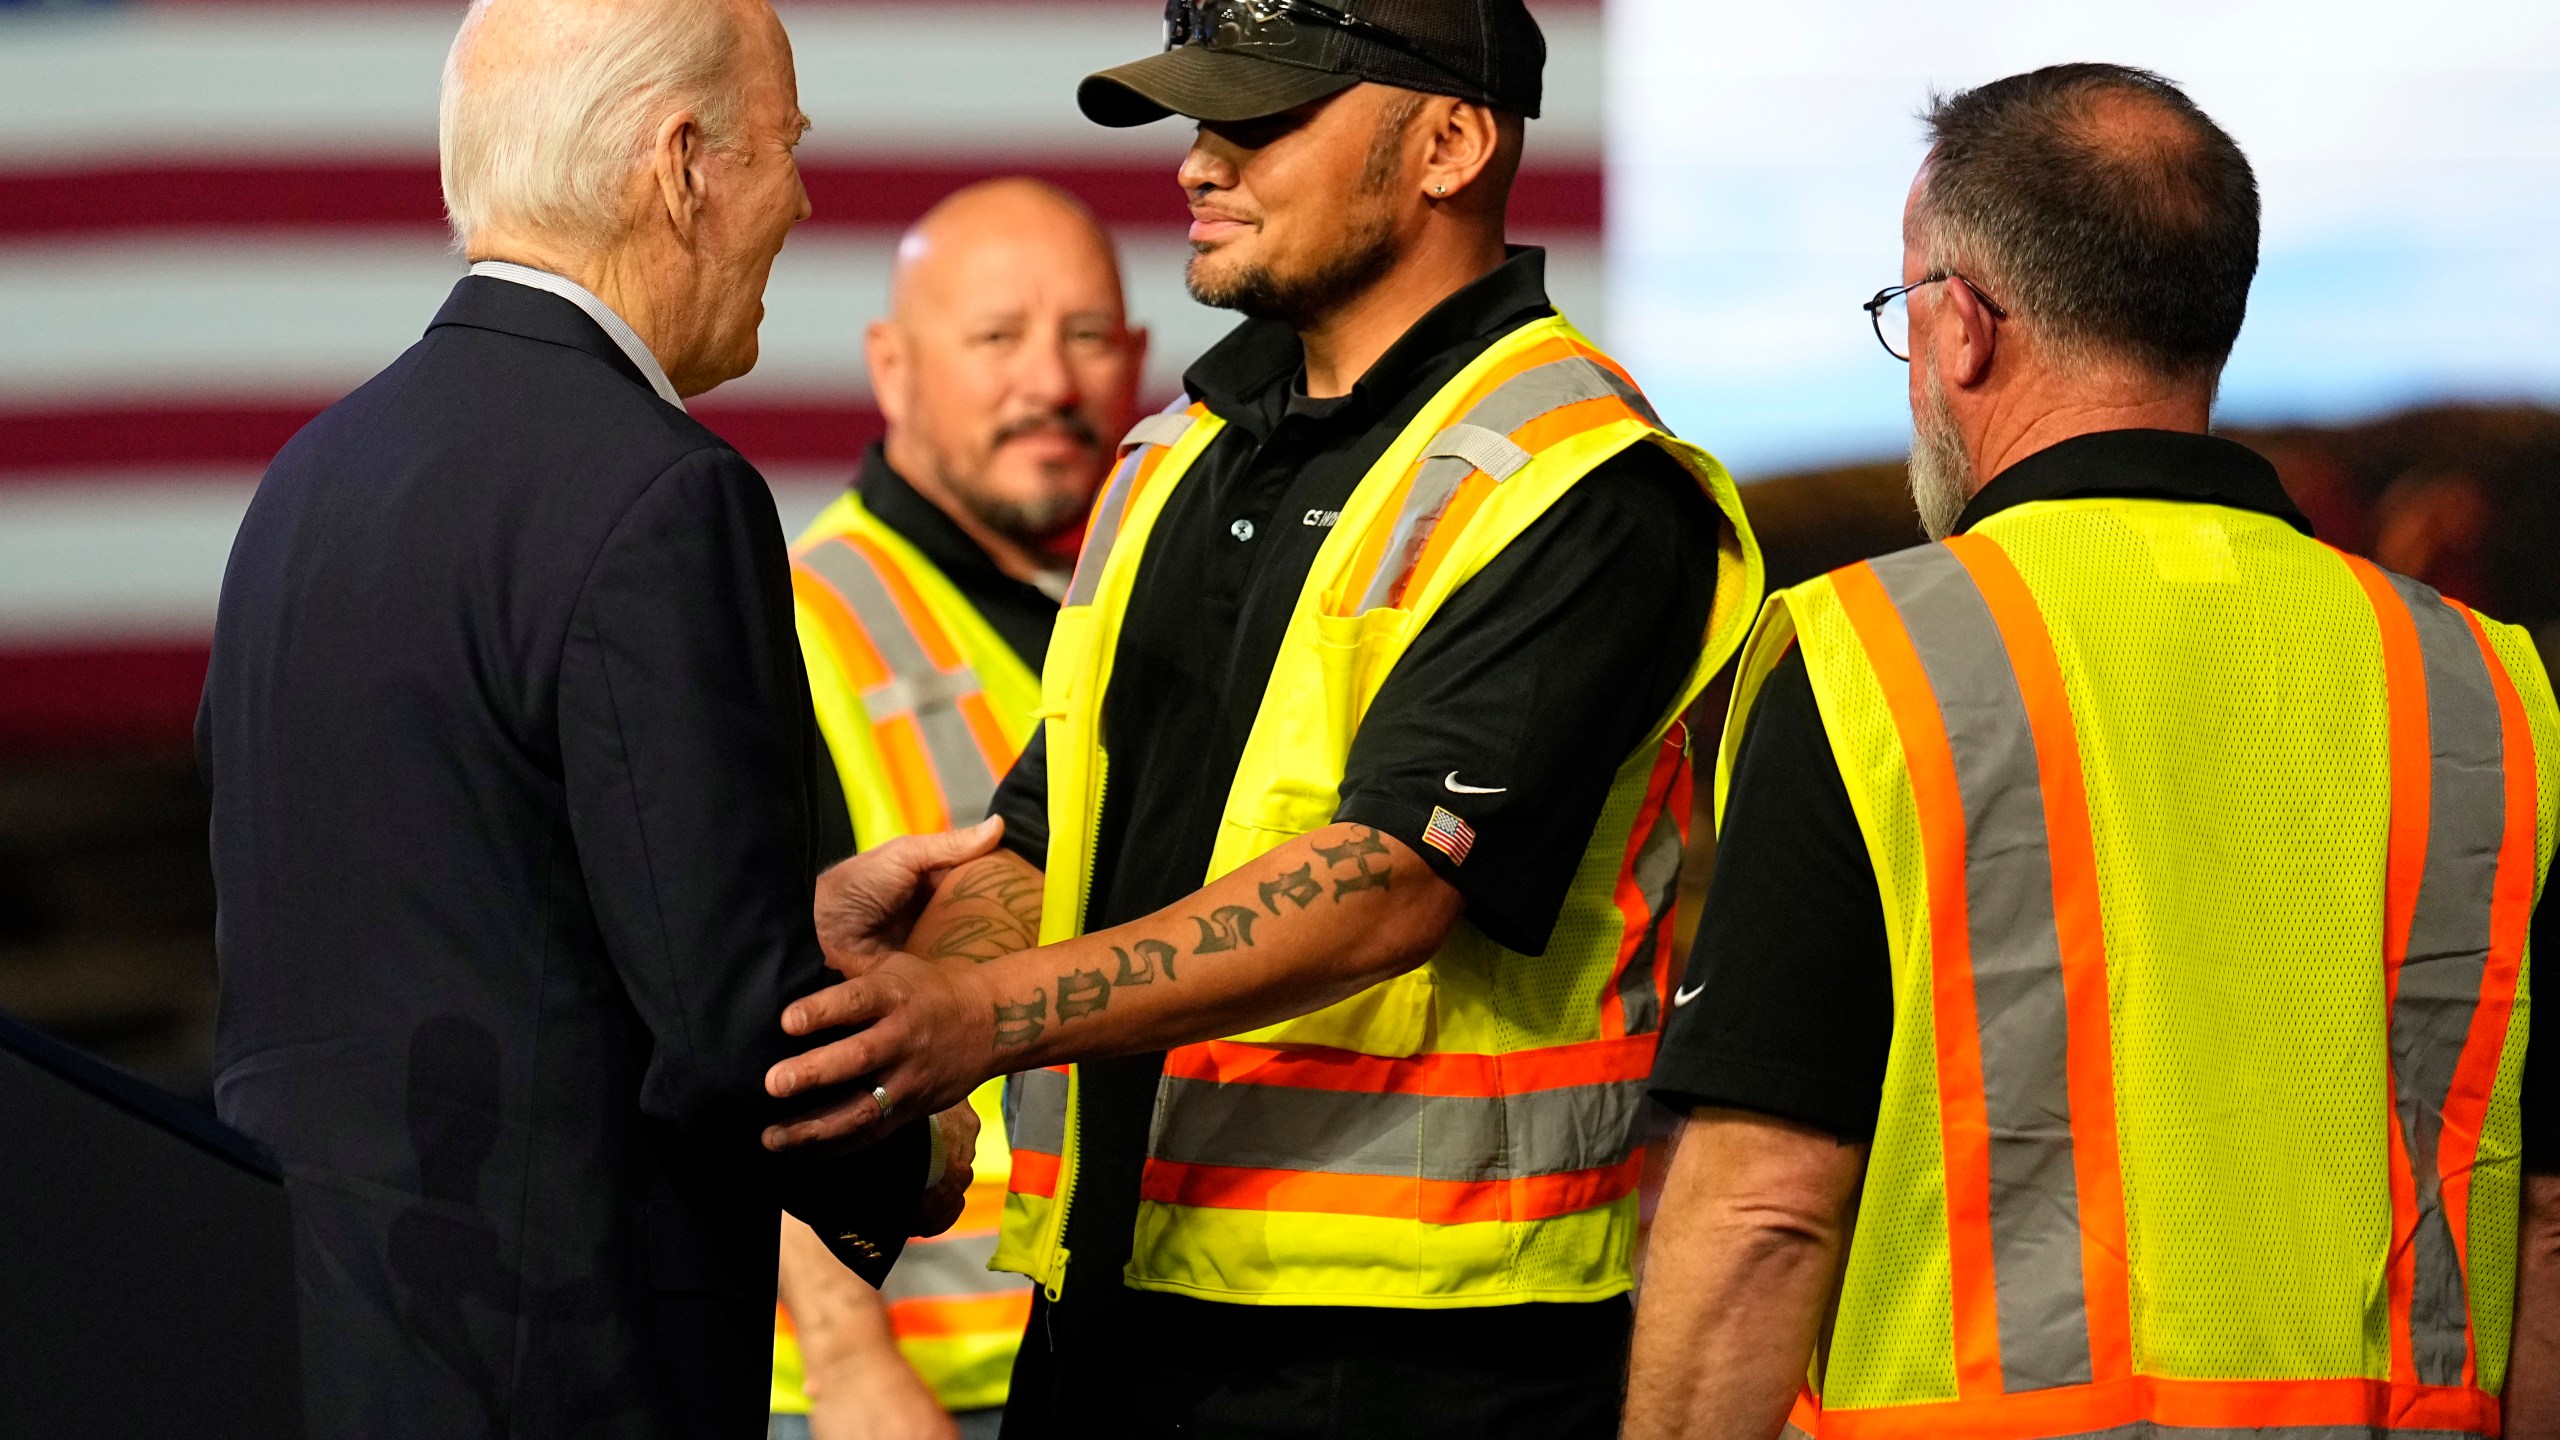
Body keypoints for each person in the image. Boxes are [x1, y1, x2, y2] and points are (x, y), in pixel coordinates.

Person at [757, 2, 1764, 1436]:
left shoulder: (1585, 485)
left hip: (1423, 1357)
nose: (1197, 164)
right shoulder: (1173, 457)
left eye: (1262, 119)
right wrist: (918, 1068)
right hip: (1104, 1312)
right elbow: (1045, 835)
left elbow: (1391, 886)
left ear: (1451, 144)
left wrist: (977, 1014)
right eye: (1198, 119)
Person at [1625, 64, 2560, 1440]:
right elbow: (2541, 1225)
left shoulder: (1877, 655)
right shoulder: (2486, 688)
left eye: (1907, 307)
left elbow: (1764, 1205)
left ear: (1969, 328)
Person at [197, 1, 985, 1434]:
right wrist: (905, 1144)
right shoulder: (662, 496)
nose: (804, 198)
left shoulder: (305, 486)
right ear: (683, 165)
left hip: (322, 1354)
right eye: (787, 147)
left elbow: (473, 921)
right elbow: (718, 1031)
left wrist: (785, 915)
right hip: (565, 1371)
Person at [770, 179, 1145, 1440]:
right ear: (892, 366)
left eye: (1087, 336)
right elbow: (743, 1022)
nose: (1048, 381)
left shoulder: (1136, 615)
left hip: (1104, 1350)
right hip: (897, 1387)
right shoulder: (791, 628)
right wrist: (850, 1365)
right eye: (995, 339)